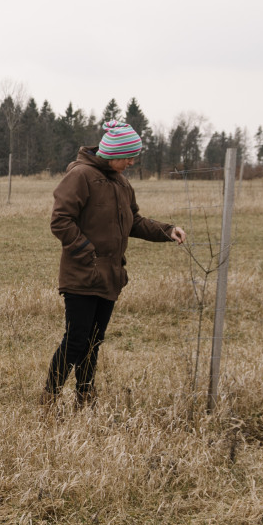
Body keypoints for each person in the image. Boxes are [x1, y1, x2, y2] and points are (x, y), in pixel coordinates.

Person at [44, 119, 185, 408]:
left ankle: (85, 397)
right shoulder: (80, 176)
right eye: (128, 156)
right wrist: (88, 253)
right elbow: (60, 220)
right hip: (82, 275)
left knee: (94, 341)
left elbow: (134, 222)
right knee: (76, 340)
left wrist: (167, 231)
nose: (132, 162)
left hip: (110, 277)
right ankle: (50, 397)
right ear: (113, 153)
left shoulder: (121, 182)